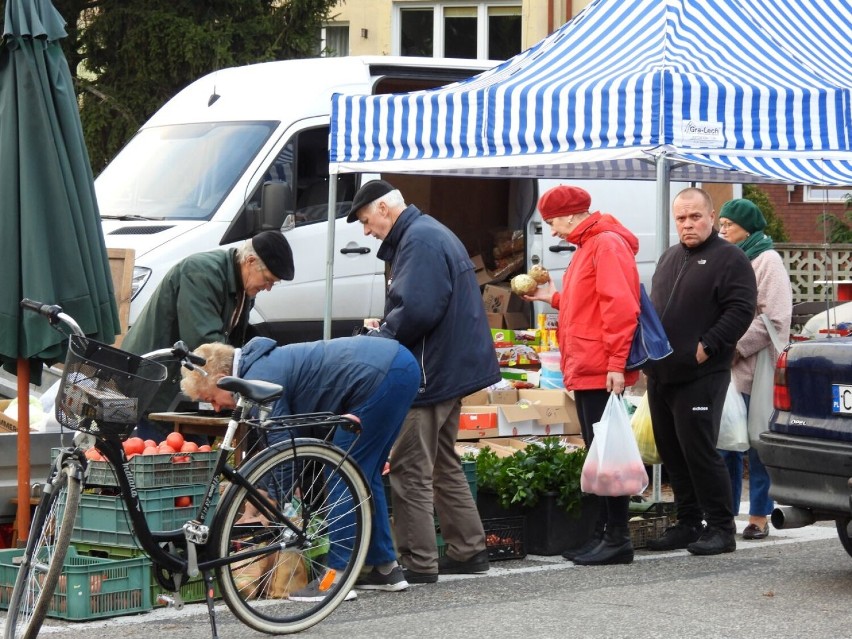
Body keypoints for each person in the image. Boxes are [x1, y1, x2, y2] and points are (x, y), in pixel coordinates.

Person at [180, 335, 421, 601]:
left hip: (380, 376)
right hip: (397, 366)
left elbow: (284, 448)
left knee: (342, 473)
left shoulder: (259, 375)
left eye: (211, 398)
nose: (215, 408)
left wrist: (275, 501)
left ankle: (335, 578)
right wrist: (268, 490)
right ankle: (385, 568)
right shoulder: (260, 366)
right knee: (363, 473)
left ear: (224, 377)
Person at [347, 179, 501, 583]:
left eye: (366, 221)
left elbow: (415, 310)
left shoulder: (418, 240)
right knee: (444, 462)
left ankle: (417, 561)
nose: (366, 231)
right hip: (450, 369)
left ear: (383, 209)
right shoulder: (427, 232)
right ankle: (468, 550)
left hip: (430, 374)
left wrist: (381, 340)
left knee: (410, 468)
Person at [523, 185, 641, 566]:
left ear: (572, 214)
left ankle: (617, 537)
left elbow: (620, 307)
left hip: (599, 368)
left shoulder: (604, 244)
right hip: (590, 365)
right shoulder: (590, 246)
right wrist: (553, 298)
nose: (553, 230)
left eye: (553, 221)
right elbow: (590, 303)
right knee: (599, 451)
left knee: (608, 456)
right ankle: (605, 533)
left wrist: (616, 365)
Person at [645, 187, 757, 556]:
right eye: (681, 218)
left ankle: (721, 528)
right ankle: (688, 522)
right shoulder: (669, 257)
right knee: (672, 451)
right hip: (661, 373)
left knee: (699, 451)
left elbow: (741, 310)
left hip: (701, 374)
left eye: (695, 216)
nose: (688, 224)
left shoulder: (731, 258)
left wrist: (706, 346)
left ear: (712, 217)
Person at [122, 231, 294, 442]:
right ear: (249, 261)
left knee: (195, 459)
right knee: (169, 459)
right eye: (268, 280)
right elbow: (205, 343)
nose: (267, 288)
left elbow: (235, 343)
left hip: (184, 385)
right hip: (156, 384)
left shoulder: (244, 287)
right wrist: (232, 385)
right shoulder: (200, 272)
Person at [716, 199, 792, 540]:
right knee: (726, 443)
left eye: (728, 225)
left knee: (758, 443)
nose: (722, 230)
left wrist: (736, 347)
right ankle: (725, 512)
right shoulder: (727, 259)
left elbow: (775, 318)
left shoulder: (767, 260)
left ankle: (759, 514)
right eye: (720, 224)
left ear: (747, 228)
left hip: (755, 370)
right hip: (725, 369)